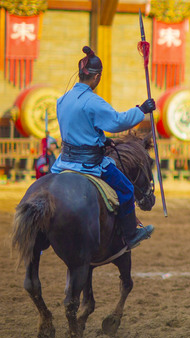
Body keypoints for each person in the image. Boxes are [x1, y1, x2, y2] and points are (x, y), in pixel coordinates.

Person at [51, 46, 156, 249]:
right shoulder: (93, 101)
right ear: (97, 77)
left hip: (64, 161)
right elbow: (117, 122)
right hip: (89, 163)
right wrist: (141, 110)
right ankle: (131, 234)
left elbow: (80, 127)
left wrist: (100, 138)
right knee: (126, 189)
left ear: (80, 73)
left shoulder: (61, 100)